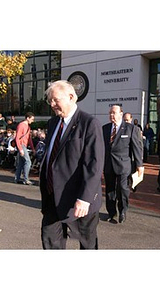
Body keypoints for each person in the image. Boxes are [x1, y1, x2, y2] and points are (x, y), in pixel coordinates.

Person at [39, 80, 104, 249]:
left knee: (87, 245)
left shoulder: (89, 123)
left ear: (70, 97)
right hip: (53, 197)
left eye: (55, 100)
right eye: (50, 100)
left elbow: (94, 165)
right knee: (50, 242)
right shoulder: (53, 123)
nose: (52, 104)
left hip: (79, 200)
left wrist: (85, 198)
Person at [103, 105, 143, 224]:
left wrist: (139, 165)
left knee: (122, 190)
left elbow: (137, 148)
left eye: (114, 113)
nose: (111, 115)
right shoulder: (104, 129)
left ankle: (122, 211)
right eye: (110, 113)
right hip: (109, 165)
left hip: (124, 165)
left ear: (121, 114)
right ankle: (111, 213)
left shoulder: (131, 129)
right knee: (110, 190)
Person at [14, 112, 36, 185]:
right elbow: (17, 138)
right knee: (28, 162)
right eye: (32, 119)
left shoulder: (27, 127)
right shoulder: (22, 125)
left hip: (23, 145)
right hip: (22, 145)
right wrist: (20, 149)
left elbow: (29, 139)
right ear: (27, 118)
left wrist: (32, 148)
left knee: (21, 162)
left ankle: (17, 178)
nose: (32, 121)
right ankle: (26, 179)